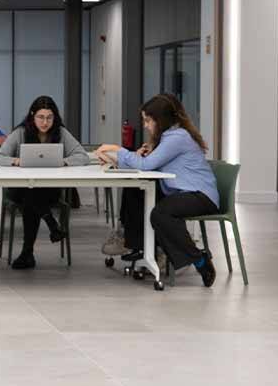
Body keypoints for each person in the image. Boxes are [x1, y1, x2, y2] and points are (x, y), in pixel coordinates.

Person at [94, 93, 219, 286]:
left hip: (199, 196)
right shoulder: (167, 137)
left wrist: (118, 150)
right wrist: (128, 157)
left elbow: (146, 166)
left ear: (160, 121)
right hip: (181, 192)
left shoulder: (177, 137)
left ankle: (199, 259)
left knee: (161, 214)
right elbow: (146, 164)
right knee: (135, 190)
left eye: (148, 120)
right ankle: (138, 245)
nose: (145, 125)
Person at [0, 95, 92, 270]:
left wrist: (64, 161)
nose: (45, 122)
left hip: (48, 191)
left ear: (55, 118)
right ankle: (51, 225)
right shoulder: (21, 132)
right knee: (30, 192)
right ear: (32, 116)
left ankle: (27, 253)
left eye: (49, 117)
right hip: (19, 190)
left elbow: (83, 156)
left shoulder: (61, 132)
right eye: (41, 117)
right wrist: (15, 161)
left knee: (32, 197)